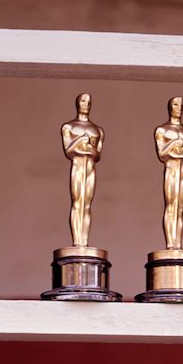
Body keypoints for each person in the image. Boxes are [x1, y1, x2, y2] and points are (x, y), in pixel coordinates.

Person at [61, 92, 104, 248]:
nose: (86, 104)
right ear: (77, 103)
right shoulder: (69, 127)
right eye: (83, 101)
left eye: (88, 101)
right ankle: (77, 241)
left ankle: (83, 242)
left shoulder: (98, 130)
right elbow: (68, 150)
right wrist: (81, 140)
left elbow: (97, 154)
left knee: (86, 205)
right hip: (78, 166)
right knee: (77, 202)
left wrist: (88, 148)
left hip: (90, 167)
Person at [155, 96, 183, 250]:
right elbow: (162, 153)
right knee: (171, 206)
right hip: (171, 170)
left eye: (181, 105)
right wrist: (175, 143)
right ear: (170, 107)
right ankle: (170, 244)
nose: (179, 108)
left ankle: (177, 244)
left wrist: (181, 150)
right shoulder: (163, 130)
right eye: (176, 105)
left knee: (180, 208)